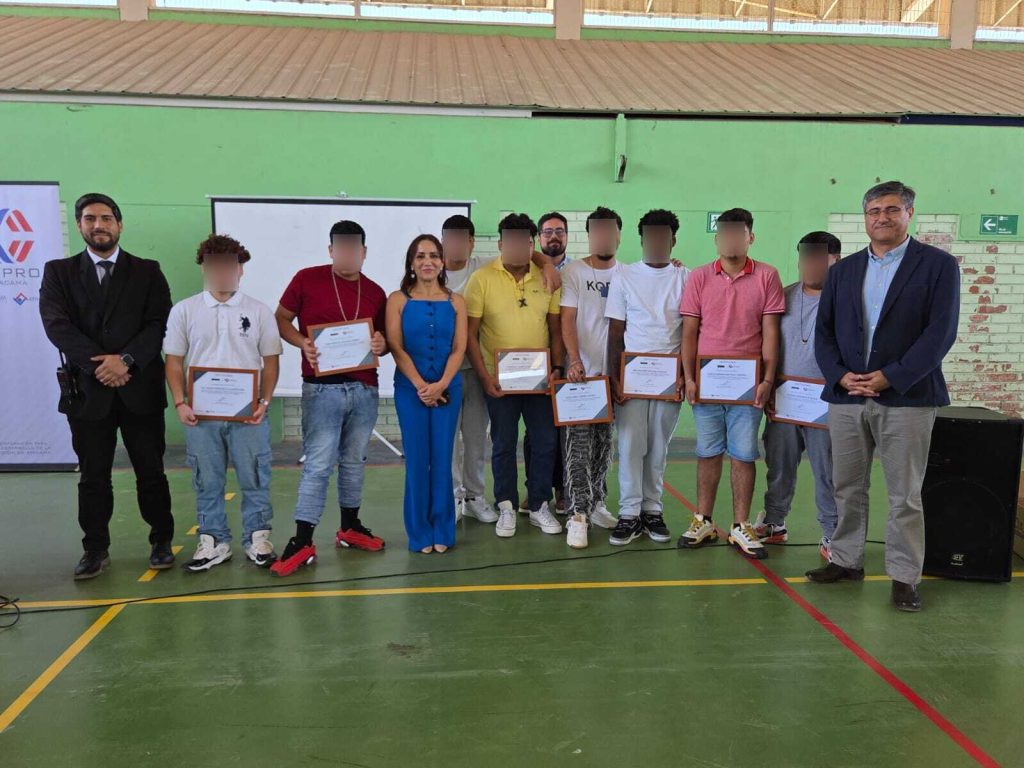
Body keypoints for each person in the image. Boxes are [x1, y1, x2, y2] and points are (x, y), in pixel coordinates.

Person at [806, 181, 960, 613]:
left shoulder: (938, 266)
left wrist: (890, 377)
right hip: (847, 397)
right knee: (846, 486)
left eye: (892, 210)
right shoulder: (844, 271)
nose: (882, 218)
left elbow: (940, 334)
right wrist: (840, 375)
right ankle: (845, 559)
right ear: (865, 218)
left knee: (904, 495)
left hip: (907, 397)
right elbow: (824, 333)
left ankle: (905, 576)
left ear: (909, 213)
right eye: (874, 211)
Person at [39, 192, 175, 580]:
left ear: (119, 225)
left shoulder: (148, 270)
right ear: (79, 225)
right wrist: (102, 365)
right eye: (89, 218)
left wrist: (125, 361)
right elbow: (57, 325)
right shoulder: (59, 272)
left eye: (105, 218)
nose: (98, 225)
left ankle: (161, 541)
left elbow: (158, 323)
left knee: (151, 471)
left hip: (139, 388)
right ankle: (95, 549)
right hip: (88, 391)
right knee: (93, 476)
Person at [270, 220, 390, 576]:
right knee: (319, 464)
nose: (348, 253)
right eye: (342, 247)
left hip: (364, 389)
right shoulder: (307, 279)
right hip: (321, 389)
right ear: (331, 250)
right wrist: (302, 343)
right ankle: (303, 538)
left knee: (354, 461)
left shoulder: (375, 292)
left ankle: (350, 526)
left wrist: (381, 344)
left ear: (363, 252)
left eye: (355, 247)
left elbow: (383, 339)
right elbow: (281, 319)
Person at [164, 234, 283, 571]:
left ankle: (257, 538)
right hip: (201, 416)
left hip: (249, 414)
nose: (222, 272)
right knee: (207, 480)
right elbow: (173, 361)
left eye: (230, 265)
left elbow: (270, 361)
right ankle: (213, 541)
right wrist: (180, 403)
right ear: (204, 268)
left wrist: (264, 401)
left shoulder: (259, 311)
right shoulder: (184, 311)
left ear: (240, 269)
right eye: (214, 265)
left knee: (255, 476)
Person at [678, 207, 785, 559]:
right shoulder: (699, 277)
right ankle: (704, 521)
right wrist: (689, 377)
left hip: (747, 386)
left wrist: (767, 379)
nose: (730, 240)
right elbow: (690, 331)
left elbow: (770, 332)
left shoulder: (767, 276)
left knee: (743, 454)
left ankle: (740, 525)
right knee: (707, 452)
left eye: (738, 233)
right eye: (724, 233)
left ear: (750, 237)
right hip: (707, 384)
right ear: (717, 239)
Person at [443, 215, 561, 525]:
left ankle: (538, 505)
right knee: (503, 443)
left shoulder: (547, 278)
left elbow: (556, 329)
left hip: (540, 382)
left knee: (545, 441)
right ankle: (506, 506)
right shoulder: (481, 278)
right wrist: (484, 378)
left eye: (524, 241)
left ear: (531, 245)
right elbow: (470, 334)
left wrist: (557, 367)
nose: (517, 247)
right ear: (500, 244)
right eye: (510, 241)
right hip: (498, 382)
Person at [754, 231, 841, 561]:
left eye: (819, 257)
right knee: (778, 465)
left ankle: (832, 534)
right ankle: (774, 522)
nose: (811, 264)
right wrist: (768, 384)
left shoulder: (845, 301)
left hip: (827, 402)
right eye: (806, 257)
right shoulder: (784, 297)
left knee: (828, 472)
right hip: (785, 400)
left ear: (835, 260)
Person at [605, 209, 689, 547]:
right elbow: (615, 332)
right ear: (641, 240)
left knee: (657, 447)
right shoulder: (624, 276)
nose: (656, 241)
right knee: (630, 445)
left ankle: (652, 509)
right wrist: (615, 378)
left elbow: (691, 331)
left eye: (662, 236)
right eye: (650, 236)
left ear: (673, 240)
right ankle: (629, 513)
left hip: (669, 379)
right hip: (632, 378)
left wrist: (684, 374)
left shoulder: (686, 277)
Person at [387, 235, 467, 553]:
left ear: (442, 262)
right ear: (411, 262)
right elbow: (396, 347)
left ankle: (443, 530)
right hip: (411, 391)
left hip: (448, 389)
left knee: (443, 458)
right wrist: (422, 385)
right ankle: (420, 532)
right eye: (420, 256)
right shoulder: (398, 300)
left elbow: (459, 348)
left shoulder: (456, 301)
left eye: (434, 255)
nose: (427, 261)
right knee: (418, 460)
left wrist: (442, 384)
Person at [560, 207, 623, 548]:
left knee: (603, 446)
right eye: (597, 231)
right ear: (589, 235)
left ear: (618, 236)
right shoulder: (574, 272)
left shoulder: (627, 274)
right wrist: (573, 359)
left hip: (610, 379)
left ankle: (597, 502)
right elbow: (567, 319)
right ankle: (577, 514)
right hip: (580, 378)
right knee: (578, 448)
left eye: (609, 231)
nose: (603, 237)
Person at [522, 212, 571, 514]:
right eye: (548, 231)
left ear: (567, 236)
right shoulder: (527, 269)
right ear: (539, 238)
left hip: (573, 363)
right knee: (536, 433)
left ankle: (564, 489)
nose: (554, 236)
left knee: (566, 431)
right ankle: (535, 490)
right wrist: (544, 263)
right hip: (537, 366)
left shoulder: (578, 271)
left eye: (560, 231)